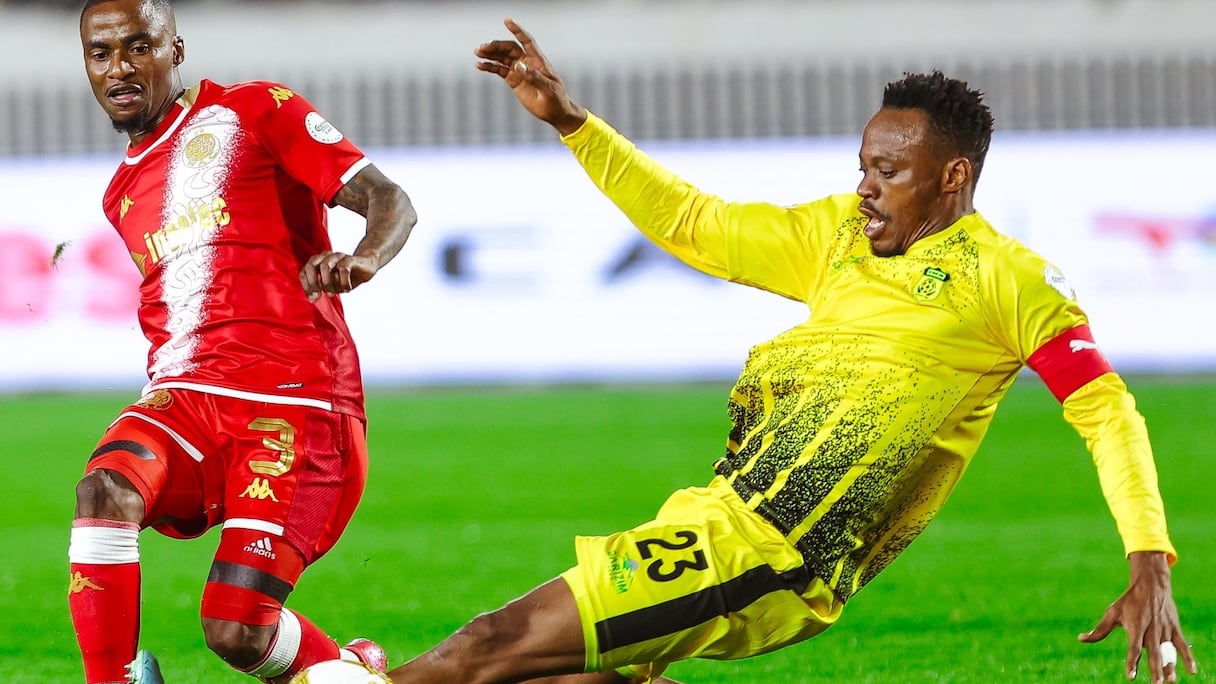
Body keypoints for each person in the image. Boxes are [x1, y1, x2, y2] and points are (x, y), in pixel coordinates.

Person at [383, 18, 1200, 684]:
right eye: (863, 166)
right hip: (717, 518)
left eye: (889, 171)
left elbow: (1106, 412)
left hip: (773, 550)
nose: (866, 187)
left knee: (485, 646)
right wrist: (573, 124)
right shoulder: (836, 235)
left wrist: (1150, 561)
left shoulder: (1009, 279)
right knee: (541, 674)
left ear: (952, 176)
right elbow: (693, 222)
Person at [71, 1, 417, 682]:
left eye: (139, 47)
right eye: (101, 53)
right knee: (104, 490)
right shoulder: (120, 194)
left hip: (295, 402)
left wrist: (366, 257)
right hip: (184, 400)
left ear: (175, 50)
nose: (119, 68)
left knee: (235, 630)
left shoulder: (255, 110)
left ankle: (349, 669)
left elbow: (389, 198)